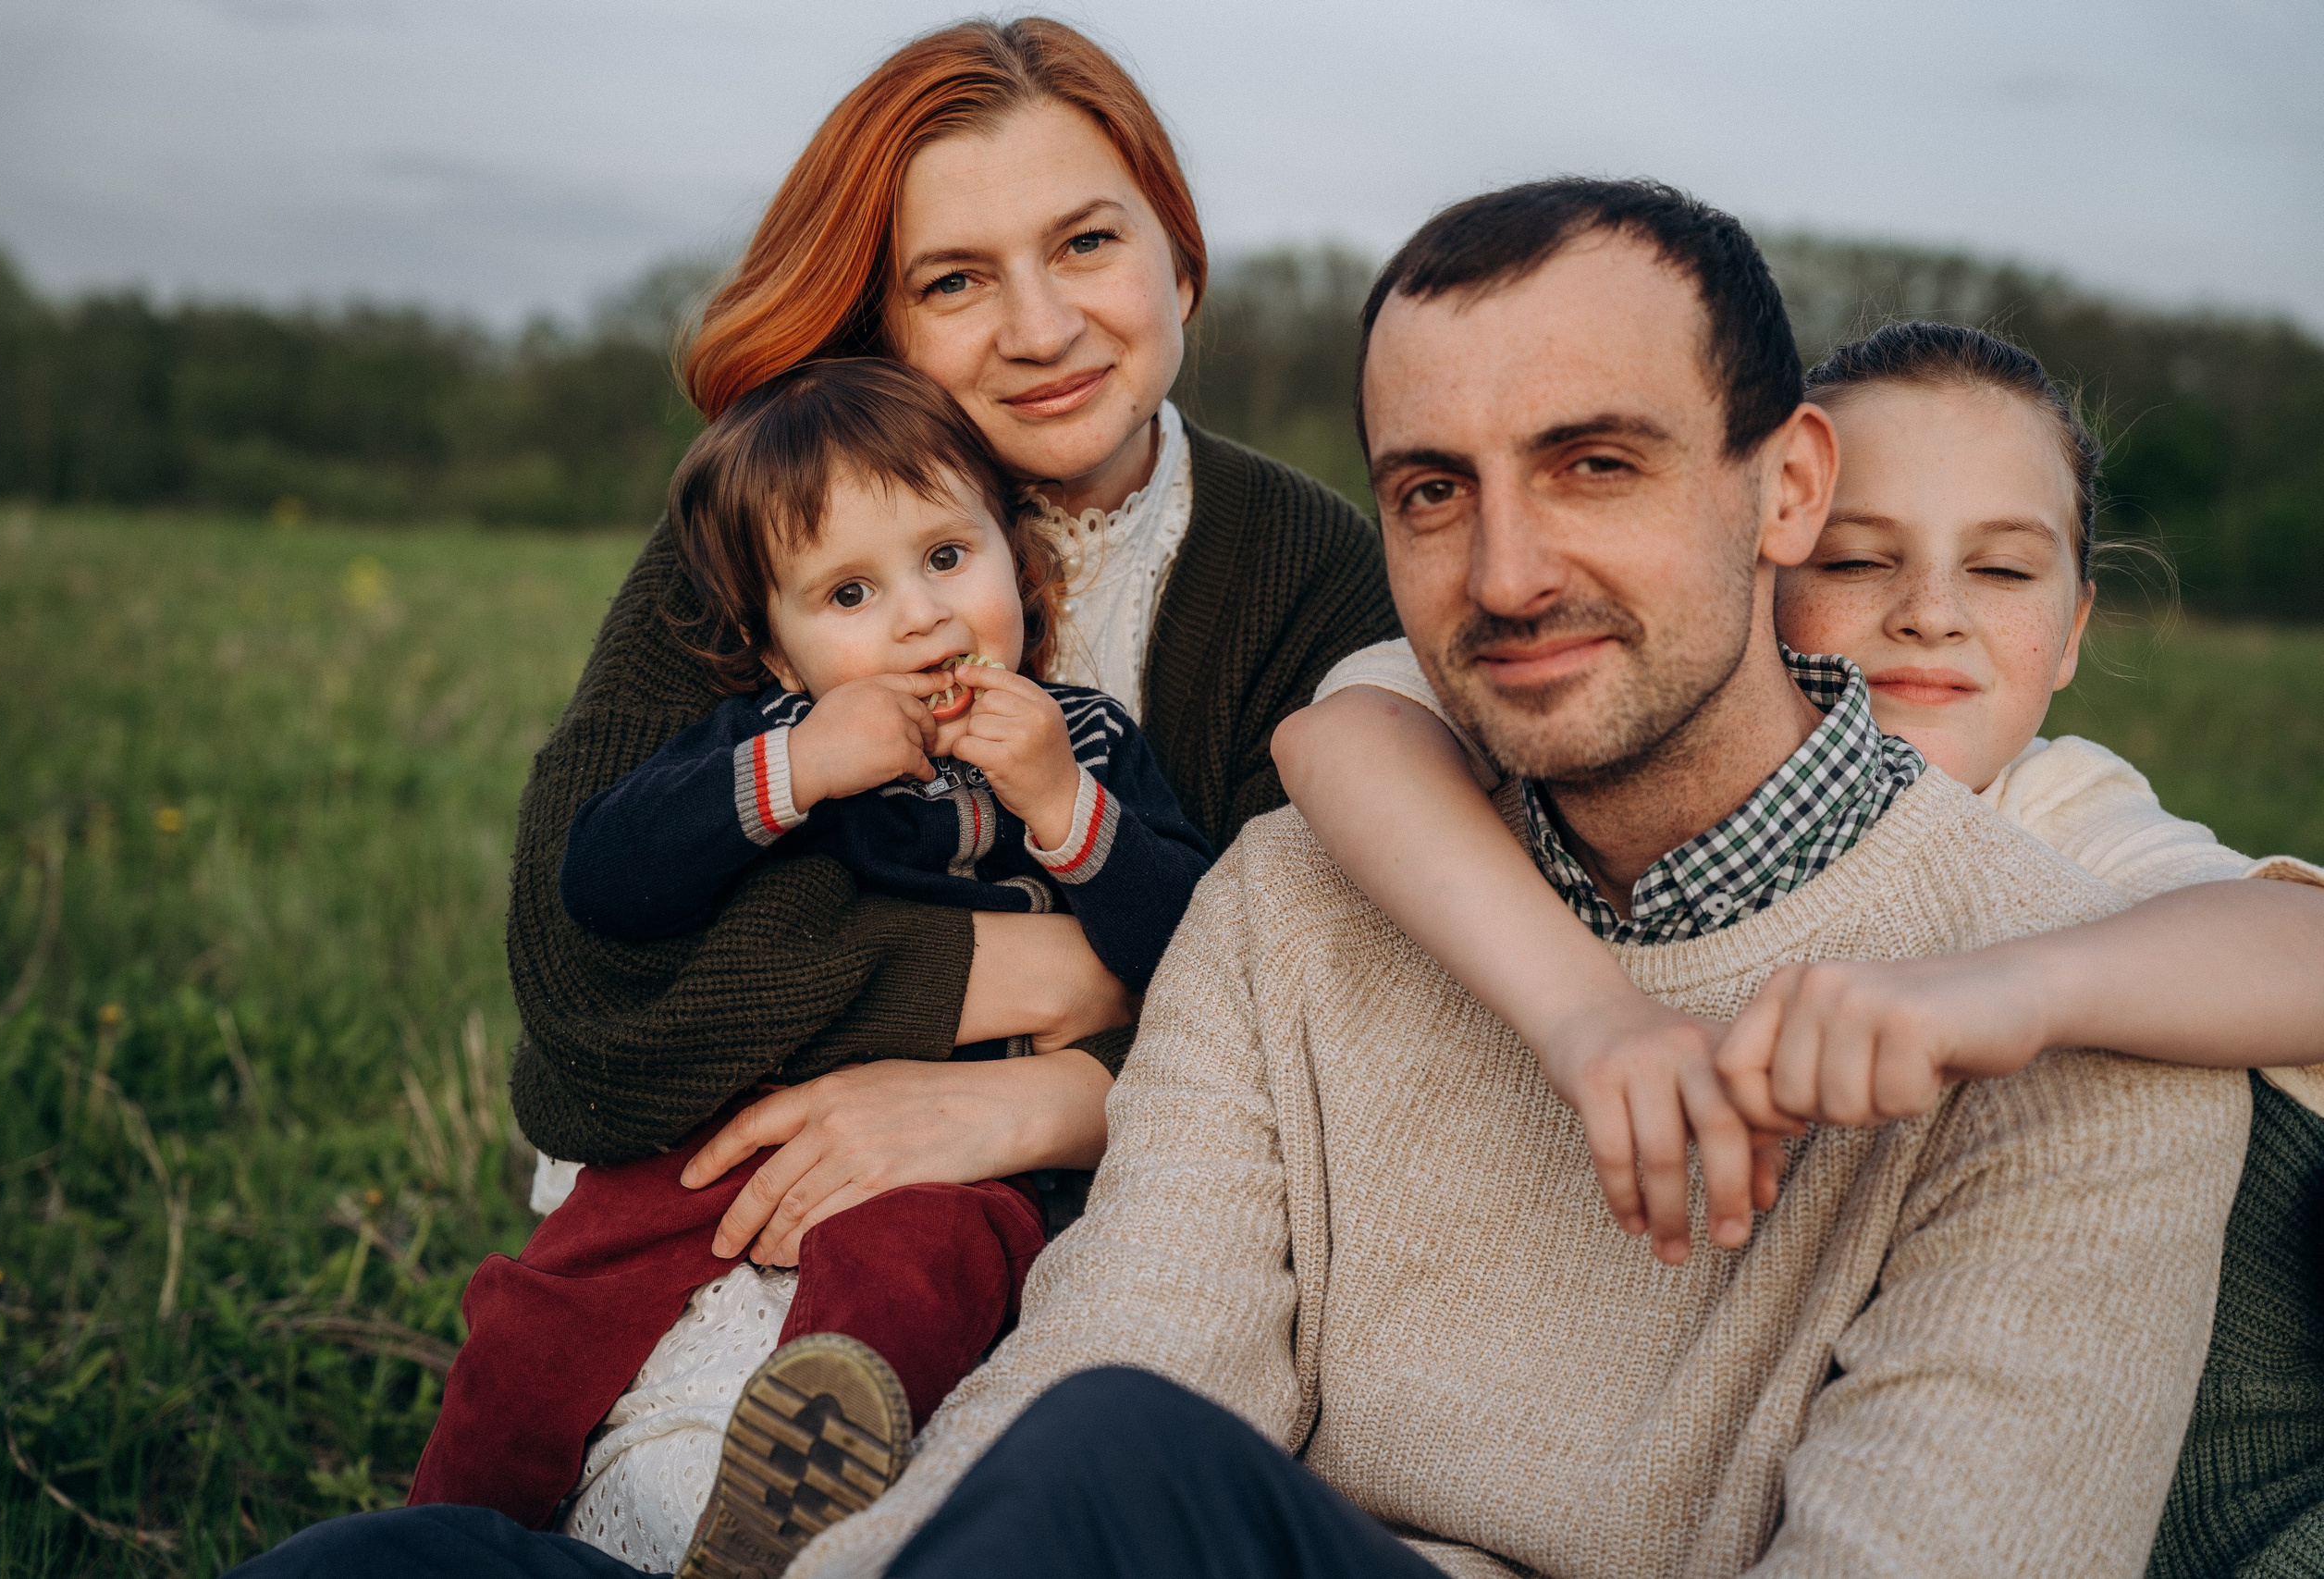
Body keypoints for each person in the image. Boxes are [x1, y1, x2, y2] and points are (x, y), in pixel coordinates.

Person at [757, 178, 2252, 1579]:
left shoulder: (2077, 1034)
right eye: (1432, 492)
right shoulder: (1297, 899)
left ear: (1789, 489)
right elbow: (1120, 1350)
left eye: (1596, 466)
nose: (1507, 576)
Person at [1276, 317, 2324, 1573]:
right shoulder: (1602, 705)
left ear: (2076, 628)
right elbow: (1343, 739)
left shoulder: (2058, 808)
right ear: (1757, 551)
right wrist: (1587, 1010)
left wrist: (2013, 988)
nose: (1930, 615)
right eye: (1859, 558)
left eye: (2002, 571)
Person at [405, 358, 1211, 1572]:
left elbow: (1191, 951)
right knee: (552, 1303)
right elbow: (606, 881)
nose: (921, 617)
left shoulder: (1083, 739)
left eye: (948, 557)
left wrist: (1062, 805)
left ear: (1016, 558)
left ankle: (795, 1502)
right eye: (849, 593)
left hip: (954, 1162)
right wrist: (798, 771)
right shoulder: (771, 736)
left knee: (915, 1274)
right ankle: (447, 1529)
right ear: (777, 653)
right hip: (726, 1129)